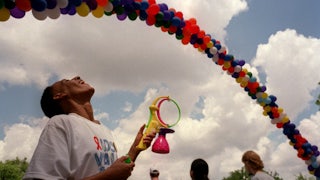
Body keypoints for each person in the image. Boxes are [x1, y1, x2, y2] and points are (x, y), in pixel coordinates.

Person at [23, 76, 156, 180]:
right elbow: (110, 175)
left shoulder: (105, 130)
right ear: (59, 96)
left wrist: (134, 150)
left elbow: (116, 173)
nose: (77, 76)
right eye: (67, 81)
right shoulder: (61, 123)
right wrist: (107, 177)